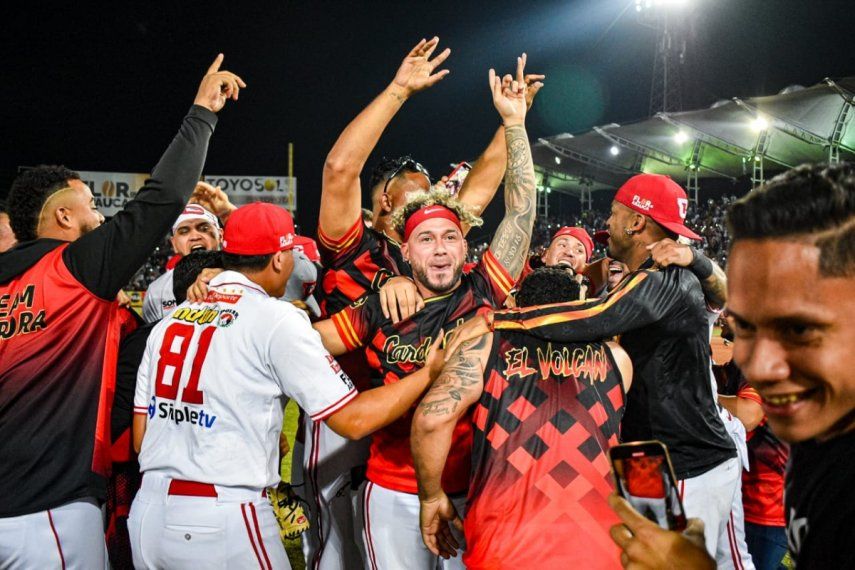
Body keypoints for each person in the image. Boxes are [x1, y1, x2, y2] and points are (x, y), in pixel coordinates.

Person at [0, 54, 242, 568]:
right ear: (64, 215)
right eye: (89, 204)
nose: (99, 213)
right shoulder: (73, 268)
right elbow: (163, 197)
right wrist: (202, 111)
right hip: (48, 514)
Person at [310, 54, 537, 569]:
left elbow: (514, 206)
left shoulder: (482, 286)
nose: (439, 246)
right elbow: (304, 344)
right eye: (425, 236)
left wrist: (515, 122)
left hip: (470, 482)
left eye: (450, 236)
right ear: (400, 244)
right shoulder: (369, 279)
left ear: (465, 242)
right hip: (367, 452)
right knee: (331, 548)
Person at [129, 202, 445, 569]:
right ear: (279, 259)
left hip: (149, 514)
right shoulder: (275, 318)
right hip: (224, 517)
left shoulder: (172, 320)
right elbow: (352, 420)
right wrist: (428, 374)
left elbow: (143, 437)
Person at [446, 173, 738, 561]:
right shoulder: (649, 279)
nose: (607, 224)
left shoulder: (668, 279)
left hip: (685, 462)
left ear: (636, 222)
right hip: (647, 457)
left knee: (680, 564)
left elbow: (599, 315)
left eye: (615, 214)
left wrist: (500, 320)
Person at [608, 162, 855, 569]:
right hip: (649, 456)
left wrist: (696, 260)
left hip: (693, 457)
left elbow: (721, 294)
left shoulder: (677, 285)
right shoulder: (818, 454)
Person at [411, 267, 633, 569]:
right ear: (577, 304)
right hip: (599, 543)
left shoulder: (486, 347)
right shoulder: (616, 357)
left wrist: (431, 496)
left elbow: (430, 421)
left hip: (505, 544)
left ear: (515, 306)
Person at [142, 200, 221, 321]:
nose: (195, 236)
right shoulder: (156, 292)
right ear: (174, 244)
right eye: (184, 231)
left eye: (204, 228)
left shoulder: (245, 277)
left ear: (220, 236)